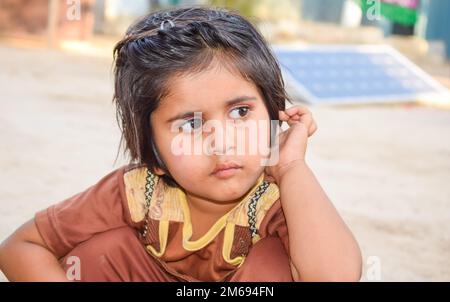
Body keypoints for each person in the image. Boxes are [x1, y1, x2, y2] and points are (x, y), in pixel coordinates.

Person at [0, 7, 362, 282]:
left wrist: (291, 167)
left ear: (274, 116)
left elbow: (335, 276)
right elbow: (20, 248)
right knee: (102, 251)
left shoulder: (277, 197)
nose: (223, 141)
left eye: (240, 112)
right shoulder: (138, 192)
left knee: (275, 262)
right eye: (190, 123)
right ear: (153, 153)